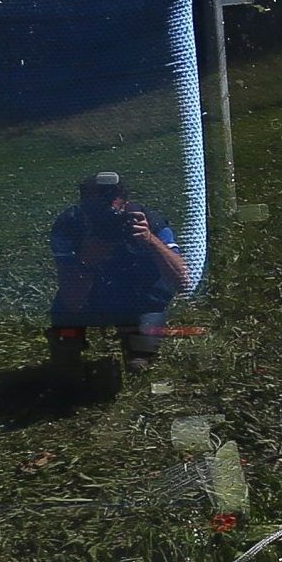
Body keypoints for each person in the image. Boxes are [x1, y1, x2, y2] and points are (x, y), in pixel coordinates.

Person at [45, 170, 189, 398]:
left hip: (141, 301)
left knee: (140, 363)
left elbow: (182, 281)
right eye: (97, 200)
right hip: (89, 301)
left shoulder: (146, 220)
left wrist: (151, 240)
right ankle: (68, 369)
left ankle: (136, 352)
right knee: (66, 349)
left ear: (126, 199)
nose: (108, 208)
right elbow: (72, 301)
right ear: (83, 203)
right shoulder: (70, 226)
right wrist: (87, 261)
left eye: (113, 197)